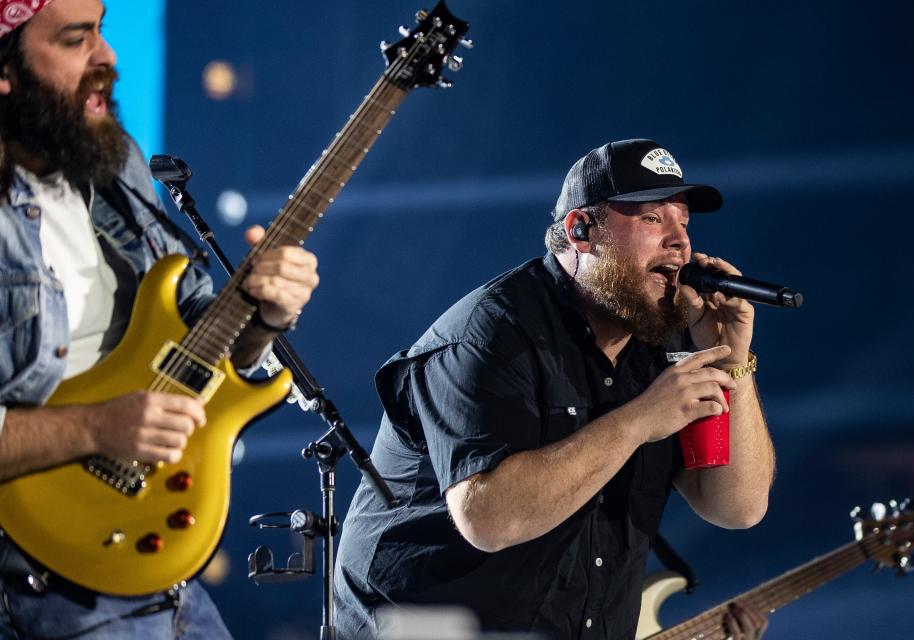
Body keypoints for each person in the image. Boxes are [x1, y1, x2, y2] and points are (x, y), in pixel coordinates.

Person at [334, 138, 775, 639]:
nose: (680, 243)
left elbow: (736, 508)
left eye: (685, 222)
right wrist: (638, 420)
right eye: (653, 219)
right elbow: (489, 519)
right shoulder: (490, 334)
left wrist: (733, 359)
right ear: (581, 231)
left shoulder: (665, 342)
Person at [0, 0, 320, 637]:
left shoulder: (113, 165)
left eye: (103, 30)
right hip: (34, 583)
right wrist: (97, 428)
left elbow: (199, 343)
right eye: (75, 39)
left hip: (159, 574)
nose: (107, 56)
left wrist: (262, 315)